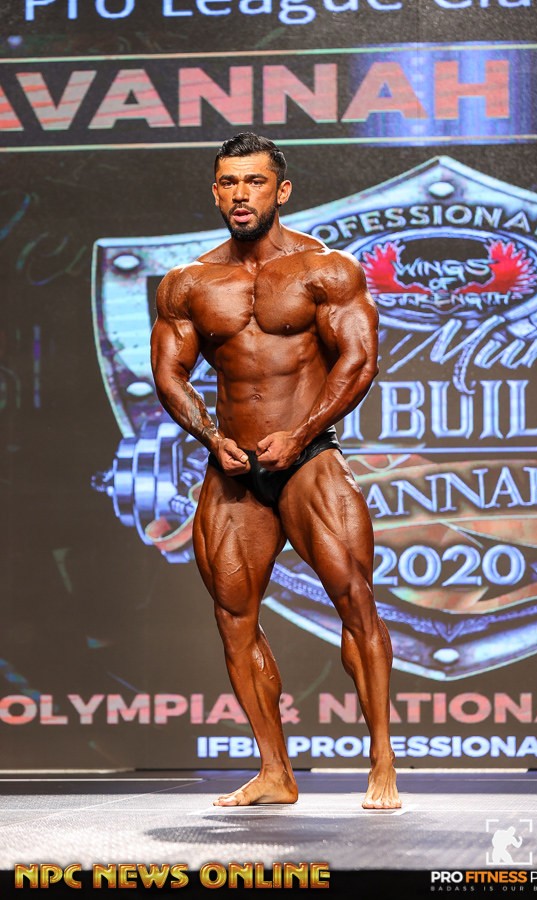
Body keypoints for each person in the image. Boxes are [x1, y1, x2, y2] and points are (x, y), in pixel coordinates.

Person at [150, 133, 400, 810]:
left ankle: (381, 762)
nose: (241, 195)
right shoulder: (189, 283)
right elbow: (170, 374)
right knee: (234, 617)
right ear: (215, 192)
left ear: (280, 191)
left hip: (309, 458)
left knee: (354, 599)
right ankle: (275, 771)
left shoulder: (326, 270)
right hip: (234, 466)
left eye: (254, 182)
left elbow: (359, 361)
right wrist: (211, 437)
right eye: (229, 182)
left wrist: (303, 433)